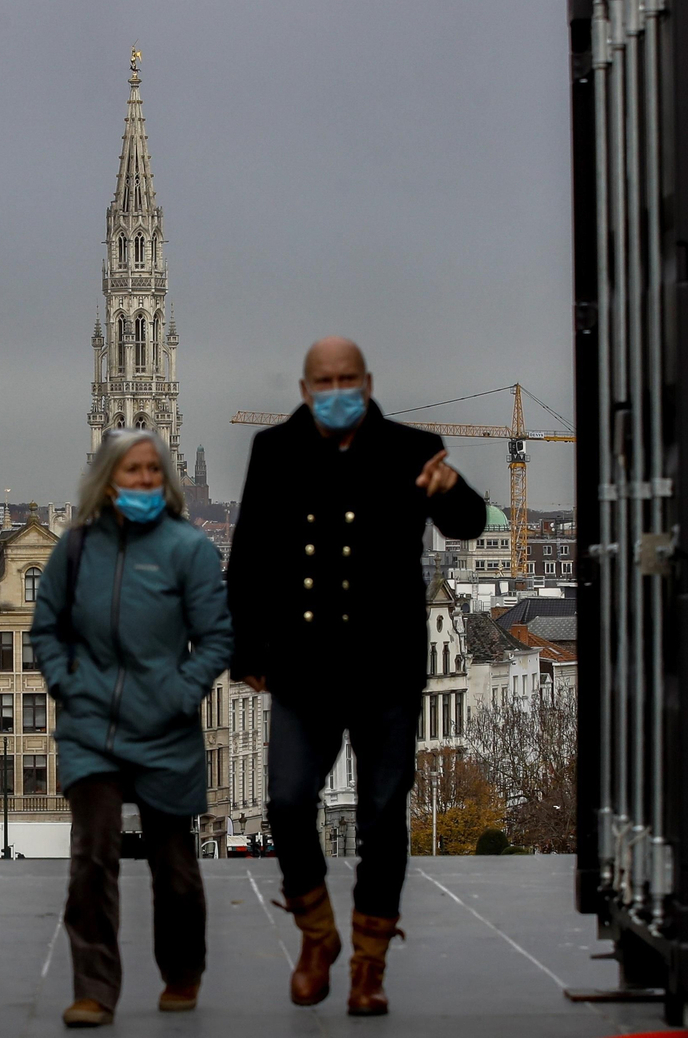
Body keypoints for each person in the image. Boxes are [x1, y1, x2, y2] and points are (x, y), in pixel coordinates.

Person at [226, 337, 487, 1016]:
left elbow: (469, 522)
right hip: (304, 667)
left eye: (348, 378)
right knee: (285, 800)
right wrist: (248, 651)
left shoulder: (410, 447)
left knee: (381, 815)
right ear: (306, 387)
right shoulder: (275, 451)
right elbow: (249, 554)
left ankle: (369, 965)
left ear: (366, 382)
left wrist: (451, 489)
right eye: (324, 380)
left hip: (386, 670)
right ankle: (318, 936)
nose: (337, 389)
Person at [30, 429, 234, 1028]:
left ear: (166, 480)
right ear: (107, 480)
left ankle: (182, 969)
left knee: (173, 864)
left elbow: (217, 635)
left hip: (165, 728)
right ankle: (93, 988)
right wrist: (67, 685)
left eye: (152, 470)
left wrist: (180, 690)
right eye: (130, 470)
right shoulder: (74, 549)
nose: (142, 479)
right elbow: (47, 630)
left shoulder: (188, 549)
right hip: (91, 727)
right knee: (92, 858)